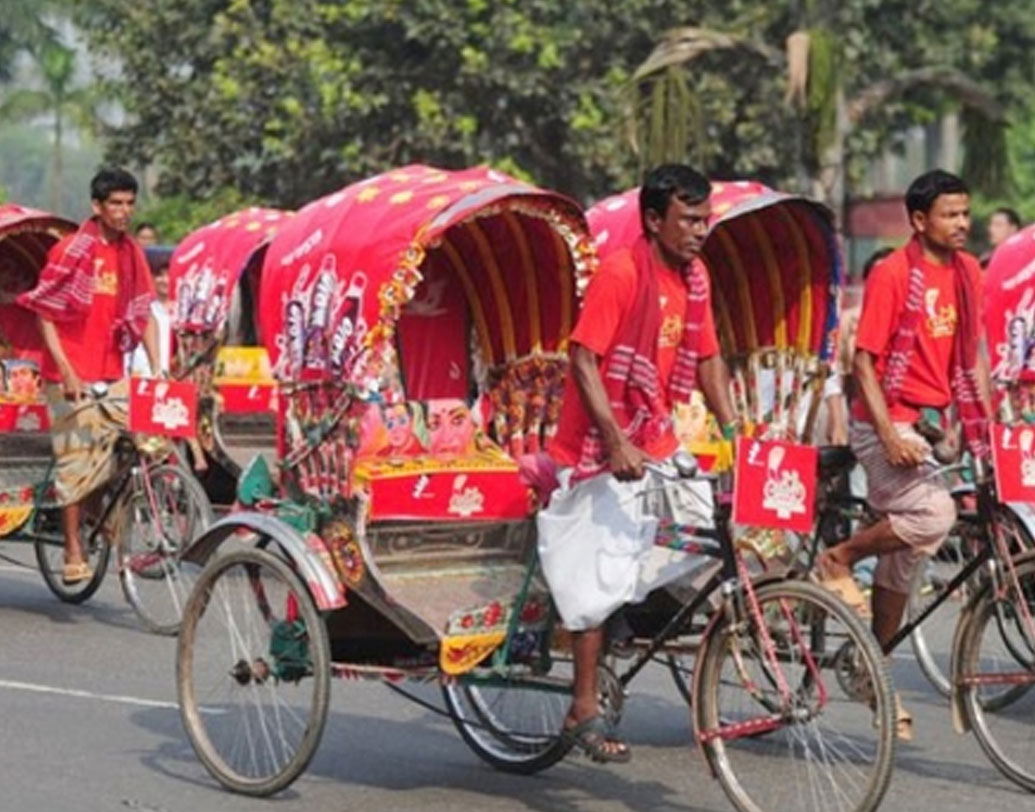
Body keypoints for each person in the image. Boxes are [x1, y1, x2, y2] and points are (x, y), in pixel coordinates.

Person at [544, 164, 736, 762]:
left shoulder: (696, 281)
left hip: (654, 435)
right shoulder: (623, 273)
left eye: (706, 219)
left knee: (707, 528)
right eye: (688, 220)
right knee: (597, 575)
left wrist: (737, 433)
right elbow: (583, 359)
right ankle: (581, 706)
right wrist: (615, 441)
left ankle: (623, 607)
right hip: (599, 448)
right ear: (654, 220)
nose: (701, 230)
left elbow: (707, 361)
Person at [816, 169, 989, 739]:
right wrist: (889, 433)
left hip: (931, 425)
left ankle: (876, 666)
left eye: (965, 213)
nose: (962, 224)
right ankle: (839, 556)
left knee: (908, 560)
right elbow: (863, 361)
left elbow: (972, 357)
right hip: (882, 420)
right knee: (934, 515)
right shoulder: (893, 274)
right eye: (949, 215)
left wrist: (985, 424)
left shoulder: (967, 272)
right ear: (919, 221)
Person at [17, 168, 159, 584]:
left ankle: (106, 509)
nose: (124, 211)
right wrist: (65, 370)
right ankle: (73, 548)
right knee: (76, 460)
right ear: (97, 207)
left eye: (130, 203)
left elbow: (143, 309)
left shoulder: (132, 253)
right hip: (70, 375)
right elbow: (45, 312)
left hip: (112, 369)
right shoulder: (71, 250)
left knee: (146, 436)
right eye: (115, 203)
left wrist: (158, 367)